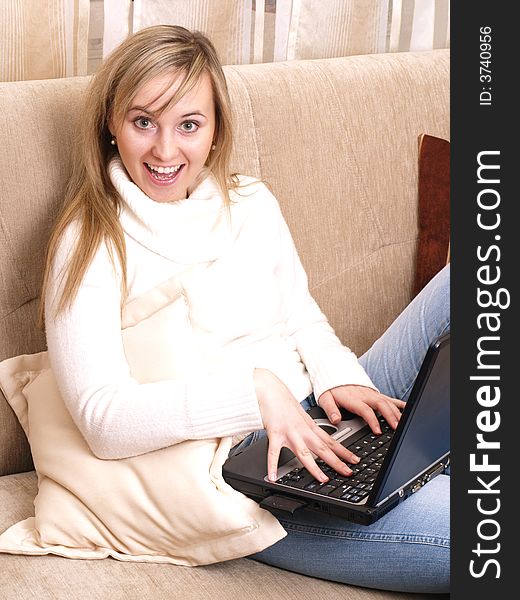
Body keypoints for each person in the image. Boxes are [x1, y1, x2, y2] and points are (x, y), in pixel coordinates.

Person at [40, 25, 450, 593]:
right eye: (143, 122)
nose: (165, 150)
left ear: (215, 131)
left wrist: (339, 377)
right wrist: (254, 392)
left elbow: (301, 316)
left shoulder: (250, 201)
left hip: (326, 411)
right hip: (248, 474)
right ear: (112, 123)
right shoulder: (88, 243)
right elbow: (103, 421)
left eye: (188, 124)